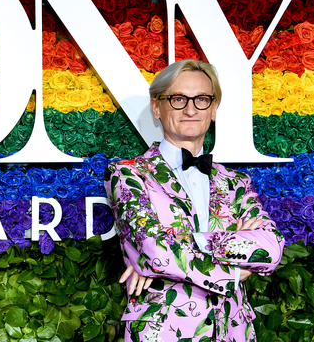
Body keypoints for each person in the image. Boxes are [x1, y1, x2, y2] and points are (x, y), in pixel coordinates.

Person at [104, 59, 284, 342]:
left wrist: (174, 250)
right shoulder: (128, 174)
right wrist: (235, 265)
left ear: (213, 110)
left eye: (201, 99)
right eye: (178, 99)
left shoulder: (235, 182)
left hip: (234, 331)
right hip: (161, 332)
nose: (190, 109)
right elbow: (156, 251)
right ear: (156, 107)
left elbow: (271, 249)